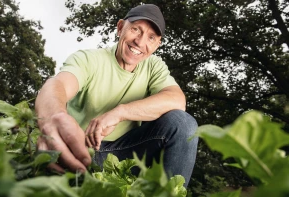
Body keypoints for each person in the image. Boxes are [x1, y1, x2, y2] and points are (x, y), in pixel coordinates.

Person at [35, 4, 198, 187]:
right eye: (136, 29)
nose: (140, 42)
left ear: (157, 45)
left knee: (183, 123)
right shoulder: (90, 59)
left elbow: (177, 100)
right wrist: (53, 117)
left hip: (126, 154)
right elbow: (56, 85)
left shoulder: (154, 67)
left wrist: (120, 112)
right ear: (120, 28)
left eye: (151, 37)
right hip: (80, 150)